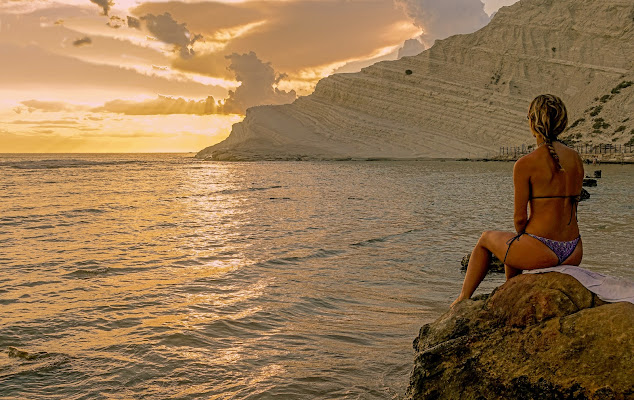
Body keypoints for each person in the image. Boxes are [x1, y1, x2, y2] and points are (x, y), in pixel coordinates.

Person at [451, 94, 584, 307]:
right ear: (562, 122)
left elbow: (520, 219)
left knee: (487, 239)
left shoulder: (525, 164)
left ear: (532, 121)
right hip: (574, 250)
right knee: (516, 241)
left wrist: (525, 242)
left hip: (543, 251)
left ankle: (462, 299)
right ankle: (511, 289)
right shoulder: (576, 158)